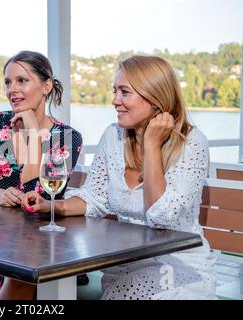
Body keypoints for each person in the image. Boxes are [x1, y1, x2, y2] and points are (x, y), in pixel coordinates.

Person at [18, 55, 217, 300]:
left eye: (124, 92)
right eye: (115, 91)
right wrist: (51, 205)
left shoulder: (192, 143)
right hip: (124, 266)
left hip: (177, 266)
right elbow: (95, 197)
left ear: (155, 98)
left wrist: (151, 144)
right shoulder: (113, 136)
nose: (115, 101)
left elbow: (162, 216)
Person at [0, 51, 83, 297]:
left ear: (46, 86)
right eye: (7, 82)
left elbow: (37, 197)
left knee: (24, 271)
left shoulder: (66, 138)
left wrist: (34, 132)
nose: (11, 89)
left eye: (21, 81)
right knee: (17, 271)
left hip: (45, 243)